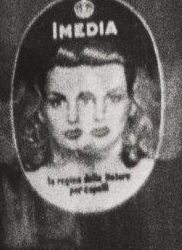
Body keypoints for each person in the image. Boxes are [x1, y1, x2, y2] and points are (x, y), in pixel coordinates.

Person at [14, 34, 159, 214]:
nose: (74, 117)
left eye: (114, 98)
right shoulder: (32, 181)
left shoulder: (149, 174)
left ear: (132, 104)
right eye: (57, 102)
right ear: (40, 109)